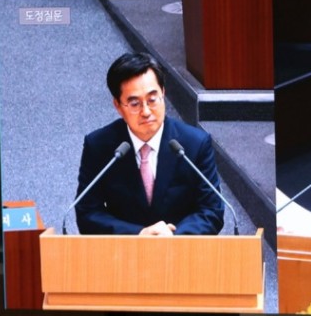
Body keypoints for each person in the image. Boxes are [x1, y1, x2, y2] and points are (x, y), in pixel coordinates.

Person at [75, 52, 224, 237]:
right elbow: (87, 212)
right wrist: (139, 234)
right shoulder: (99, 146)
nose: (146, 111)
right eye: (135, 103)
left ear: (163, 93)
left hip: (183, 255)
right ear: (118, 106)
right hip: (122, 256)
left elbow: (212, 210)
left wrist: (174, 237)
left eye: (152, 99)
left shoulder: (194, 144)